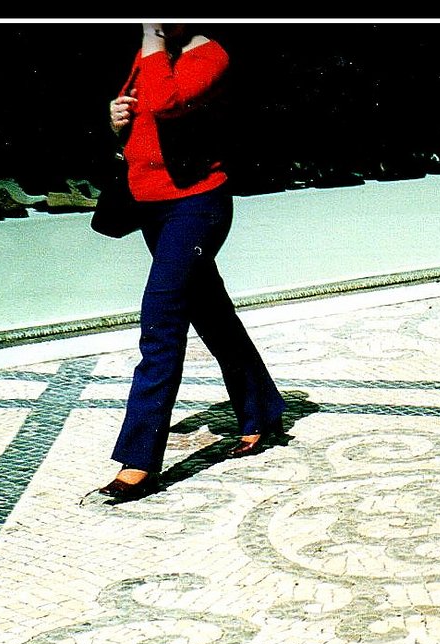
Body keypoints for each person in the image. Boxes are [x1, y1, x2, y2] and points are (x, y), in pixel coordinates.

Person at [92, 21, 287, 502]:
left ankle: (138, 460)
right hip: (152, 205)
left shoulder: (207, 55)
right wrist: (115, 120)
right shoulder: (155, 53)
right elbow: (139, 120)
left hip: (196, 205)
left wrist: (151, 41)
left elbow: (166, 104)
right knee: (211, 314)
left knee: (160, 319)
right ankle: (262, 410)